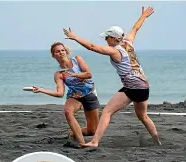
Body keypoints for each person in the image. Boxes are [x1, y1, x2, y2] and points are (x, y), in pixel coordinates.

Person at [63, 6, 161, 148]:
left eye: (107, 38)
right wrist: (144, 16)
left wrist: (75, 37)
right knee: (143, 116)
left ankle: (95, 142)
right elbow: (135, 28)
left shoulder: (115, 51)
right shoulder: (128, 41)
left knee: (107, 112)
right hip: (143, 86)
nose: (105, 40)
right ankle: (157, 142)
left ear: (114, 38)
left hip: (132, 88)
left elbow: (92, 46)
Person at [32, 42, 100, 148]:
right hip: (75, 96)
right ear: (53, 55)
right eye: (57, 51)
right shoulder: (59, 74)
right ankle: (82, 143)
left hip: (89, 93)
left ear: (66, 51)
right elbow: (60, 93)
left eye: (62, 50)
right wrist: (41, 90)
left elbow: (88, 74)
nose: (61, 52)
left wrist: (74, 74)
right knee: (68, 111)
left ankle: (73, 133)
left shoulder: (77, 59)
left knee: (92, 131)